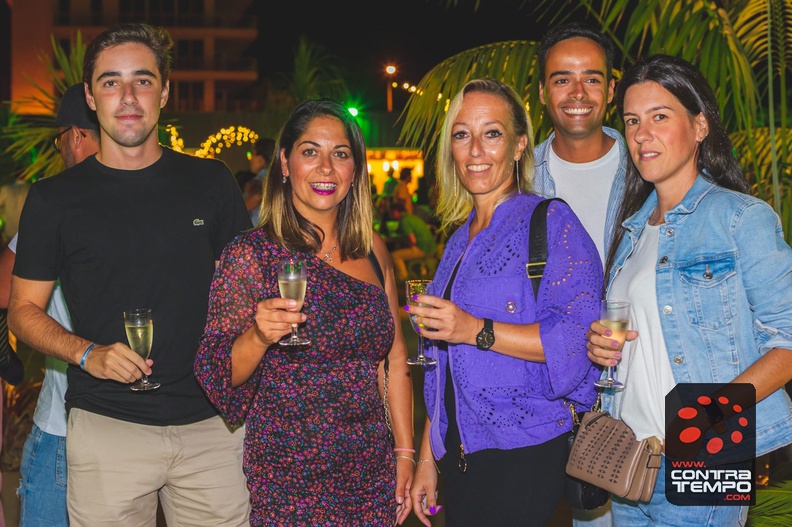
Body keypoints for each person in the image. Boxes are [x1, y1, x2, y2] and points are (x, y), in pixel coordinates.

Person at [9, 22, 252, 526]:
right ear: (90, 96)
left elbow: (243, 295)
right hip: (107, 427)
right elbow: (22, 312)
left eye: (142, 80)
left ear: (164, 91)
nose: (127, 97)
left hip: (211, 426)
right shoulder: (53, 200)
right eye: (110, 81)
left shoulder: (210, 182)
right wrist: (87, 353)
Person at [586, 54, 792, 526]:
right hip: (630, 461)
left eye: (660, 116)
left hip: (706, 457)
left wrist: (706, 420)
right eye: (632, 121)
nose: (641, 134)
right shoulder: (632, 231)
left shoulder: (741, 218)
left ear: (699, 126)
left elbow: (788, 340)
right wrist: (602, 345)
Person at [194, 98, 415, 526]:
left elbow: (395, 360)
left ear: (355, 172)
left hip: (369, 468)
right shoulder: (250, 254)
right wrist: (258, 336)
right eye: (310, 152)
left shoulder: (373, 250)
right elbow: (217, 372)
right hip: (287, 474)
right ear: (284, 163)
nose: (326, 168)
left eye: (341, 155)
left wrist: (404, 453)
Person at [407, 78, 603, 527]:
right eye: (462, 135)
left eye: (491, 133)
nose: (475, 149)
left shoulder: (552, 222)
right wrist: (425, 459)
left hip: (523, 452)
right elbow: (441, 367)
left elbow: (577, 341)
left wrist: (473, 329)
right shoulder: (457, 241)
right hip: (459, 453)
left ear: (518, 146)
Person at [0, 82, 100, 527]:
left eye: (61, 138)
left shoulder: (57, 202)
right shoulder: (148, 201)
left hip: (66, 427)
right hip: (141, 428)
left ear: (76, 136)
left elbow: (4, 290)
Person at [534, 22, 627, 266]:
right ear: (543, 92)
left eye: (592, 80)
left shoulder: (647, 173)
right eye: (562, 80)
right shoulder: (518, 180)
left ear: (610, 90)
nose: (578, 92)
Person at [389, 199, 437, 282]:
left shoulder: (404, 221)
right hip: (432, 247)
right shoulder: (411, 217)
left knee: (395, 256)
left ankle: (403, 279)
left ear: (396, 212)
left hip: (423, 249)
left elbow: (413, 241)